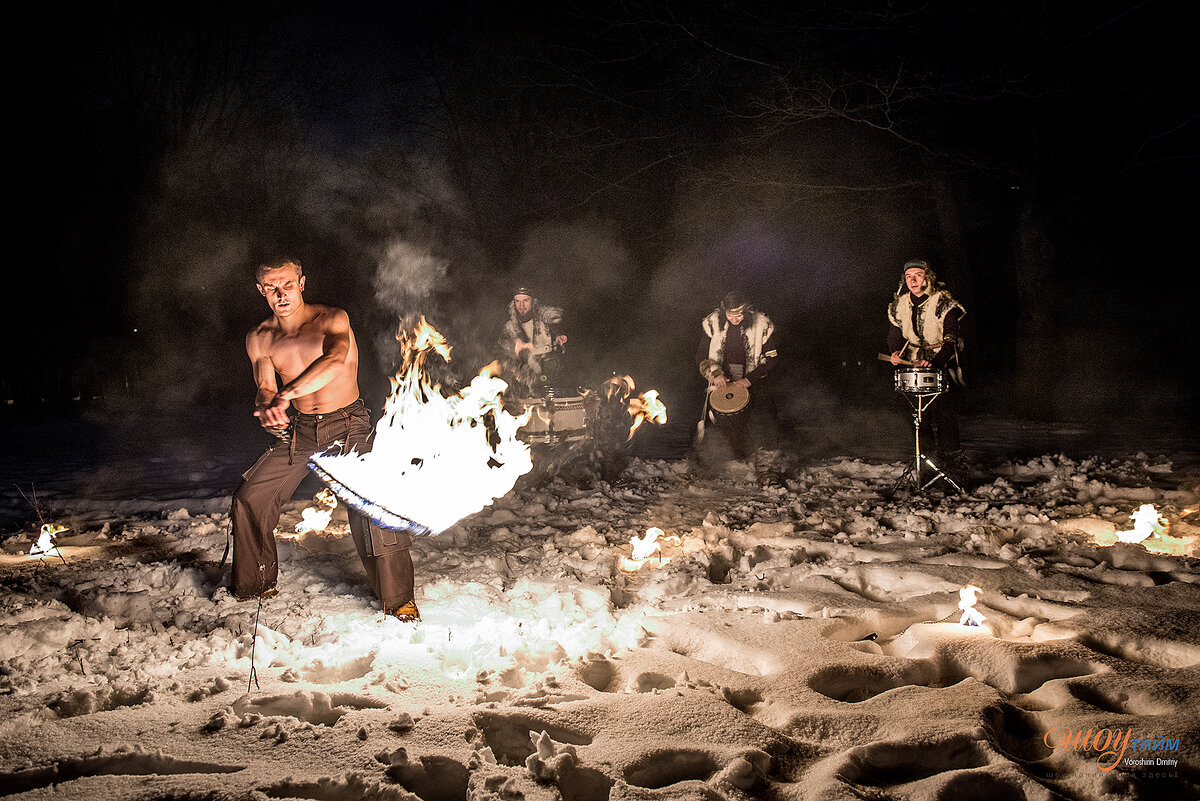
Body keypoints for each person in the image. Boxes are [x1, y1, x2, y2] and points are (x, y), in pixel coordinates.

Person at [229, 259, 419, 621]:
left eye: (287, 283)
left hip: (348, 424)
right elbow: (266, 386)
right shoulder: (260, 338)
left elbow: (334, 361)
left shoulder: (332, 319)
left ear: (302, 282)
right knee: (250, 497)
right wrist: (268, 403)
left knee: (373, 504)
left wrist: (289, 393)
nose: (281, 293)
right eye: (272, 287)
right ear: (261, 291)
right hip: (301, 430)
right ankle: (256, 584)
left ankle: (398, 599)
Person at [691, 291, 784, 486]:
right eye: (730, 315)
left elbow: (772, 358)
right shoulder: (712, 324)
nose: (734, 319)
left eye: (739, 315)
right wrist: (716, 374)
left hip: (754, 378)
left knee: (765, 421)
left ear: (748, 311)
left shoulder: (762, 325)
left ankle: (768, 471)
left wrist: (749, 380)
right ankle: (705, 466)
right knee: (710, 423)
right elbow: (701, 357)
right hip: (721, 379)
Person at [886, 258, 966, 455]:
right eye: (908, 277)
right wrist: (895, 352)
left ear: (928, 278)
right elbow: (894, 336)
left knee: (944, 414)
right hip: (914, 363)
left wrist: (935, 362)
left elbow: (950, 340)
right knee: (917, 416)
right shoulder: (899, 305)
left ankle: (951, 462)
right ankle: (927, 460)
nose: (912, 281)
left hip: (942, 361)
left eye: (918, 276)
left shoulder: (944, 303)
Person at [500, 286, 567, 392]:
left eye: (526, 301)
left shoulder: (545, 322)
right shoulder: (510, 327)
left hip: (552, 382)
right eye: (518, 301)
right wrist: (515, 345)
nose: (521, 306)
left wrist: (559, 337)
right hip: (525, 384)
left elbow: (560, 327)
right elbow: (502, 353)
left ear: (532, 302)